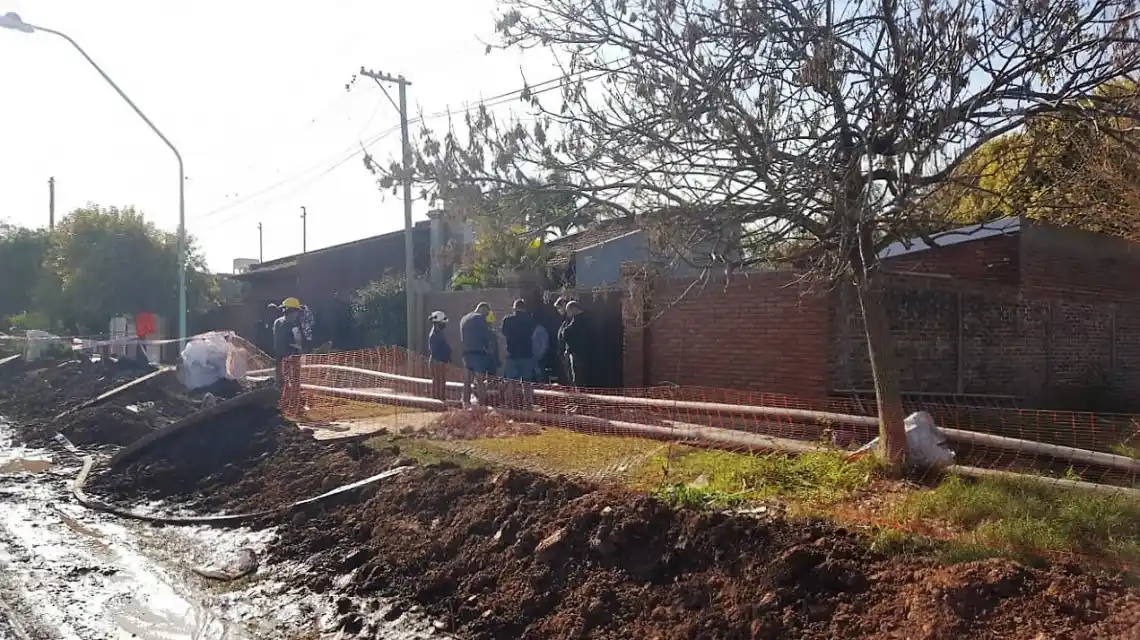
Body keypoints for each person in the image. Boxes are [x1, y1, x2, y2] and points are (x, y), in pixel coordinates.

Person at [501, 299, 538, 407]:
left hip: (512, 354)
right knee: (526, 382)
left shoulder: (507, 320)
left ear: (514, 308)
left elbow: (503, 333)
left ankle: (512, 404)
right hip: (526, 354)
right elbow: (532, 333)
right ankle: (528, 405)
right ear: (524, 308)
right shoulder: (530, 320)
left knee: (511, 382)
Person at [459, 302, 496, 407]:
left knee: (467, 380)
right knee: (480, 380)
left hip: (466, 354)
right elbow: (486, 337)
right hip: (478, 354)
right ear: (484, 310)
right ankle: (482, 404)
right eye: (487, 313)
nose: (487, 316)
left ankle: (465, 402)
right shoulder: (480, 319)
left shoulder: (464, 319)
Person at [272, 297, 305, 405]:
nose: (297, 314)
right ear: (292, 311)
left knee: (281, 380)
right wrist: (299, 349)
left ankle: (281, 401)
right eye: (296, 311)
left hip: (279, 356)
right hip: (291, 356)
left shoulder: (277, 322)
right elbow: (298, 341)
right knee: (294, 380)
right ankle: (293, 402)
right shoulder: (293, 324)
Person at [559, 300, 591, 388]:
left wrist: (564, 332)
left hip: (577, 353)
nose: (567, 313)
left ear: (573, 309)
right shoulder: (588, 319)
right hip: (587, 352)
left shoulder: (578, 320)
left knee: (577, 377)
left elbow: (568, 332)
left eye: (568, 310)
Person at [427, 310, 452, 403]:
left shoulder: (438, 333)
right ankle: (437, 403)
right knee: (438, 383)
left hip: (439, 361)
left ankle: (439, 401)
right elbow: (437, 351)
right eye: (442, 322)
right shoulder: (435, 335)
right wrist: (446, 355)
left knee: (440, 383)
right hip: (437, 361)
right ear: (438, 323)